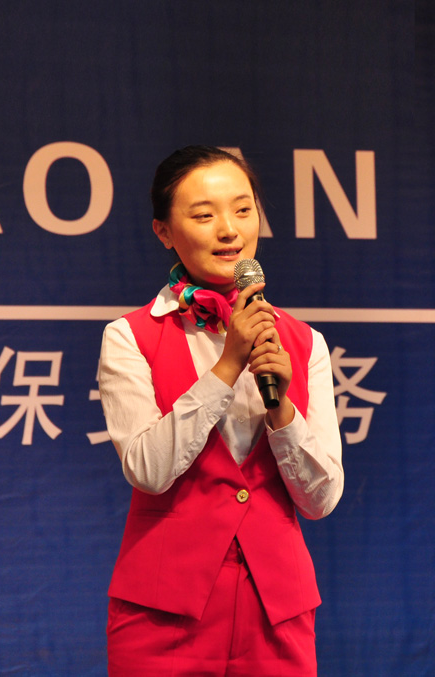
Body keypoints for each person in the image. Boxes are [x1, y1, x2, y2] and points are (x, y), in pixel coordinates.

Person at [97, 145, 344, 676]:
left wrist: (281, 411)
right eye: (204, 215)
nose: (229, 230)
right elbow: (147, 470)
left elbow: (321, 500)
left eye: (243, 209)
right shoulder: (129, 336)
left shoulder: (304, 343)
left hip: (276, 614)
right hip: (164, 615)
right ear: (164, 231)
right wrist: (227, 366)